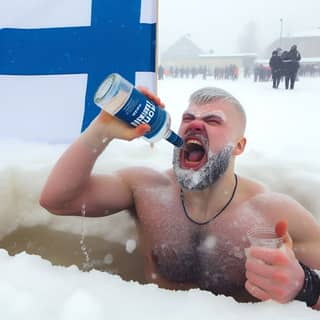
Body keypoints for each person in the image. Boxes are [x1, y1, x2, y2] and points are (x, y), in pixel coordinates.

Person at [40, 86, 320, 308]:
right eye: (189, 118)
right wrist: (102, 129)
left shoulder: (272, 213)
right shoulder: (146, 189)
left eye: (212, 120)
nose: (195, 125)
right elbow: (58, 200)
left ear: (239, 146)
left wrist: (305, 286)